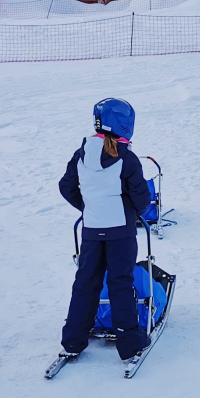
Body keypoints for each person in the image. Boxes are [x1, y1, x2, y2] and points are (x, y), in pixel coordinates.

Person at [58, 98, 152, 361]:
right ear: (125, 124)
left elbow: (66, 186)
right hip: (120, 232)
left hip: (91, 231)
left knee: (85, 283)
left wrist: (89, 208)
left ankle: (73, 340)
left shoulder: (81, 154)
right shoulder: (127, 158)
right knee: (120, 283)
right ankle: (129, 344)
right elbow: (142, 199)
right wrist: (128, 211)